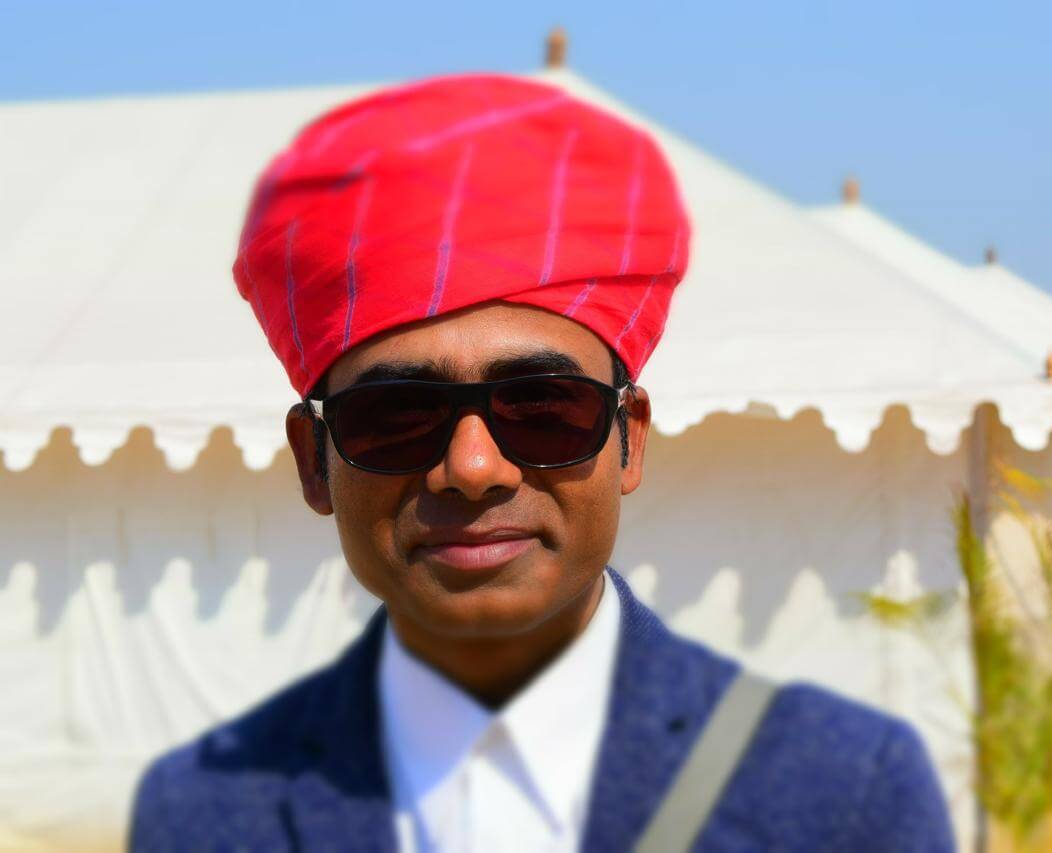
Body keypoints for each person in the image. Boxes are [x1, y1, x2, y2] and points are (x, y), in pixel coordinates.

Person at [128, 73, 953, 852]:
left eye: (544, 408)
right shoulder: (203, 816)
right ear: (314, 462)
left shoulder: (844, 797)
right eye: (398, 415)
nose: (473, 466)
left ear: (630, 439)